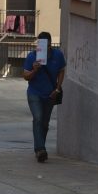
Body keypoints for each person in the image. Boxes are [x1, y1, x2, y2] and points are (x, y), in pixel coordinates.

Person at [23, 31, 66, 163]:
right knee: (38, 118)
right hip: (34, 93)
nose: (42, 49)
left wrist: (58, 89)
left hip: (50, 94)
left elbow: (62, 70)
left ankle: (40, 149)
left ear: (50, 45)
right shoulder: (32, 57)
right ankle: (40, 149)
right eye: (39, 45)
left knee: (45, 123)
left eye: (45, 46)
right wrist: (35, 69)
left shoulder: (57, 55)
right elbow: (26, 76)